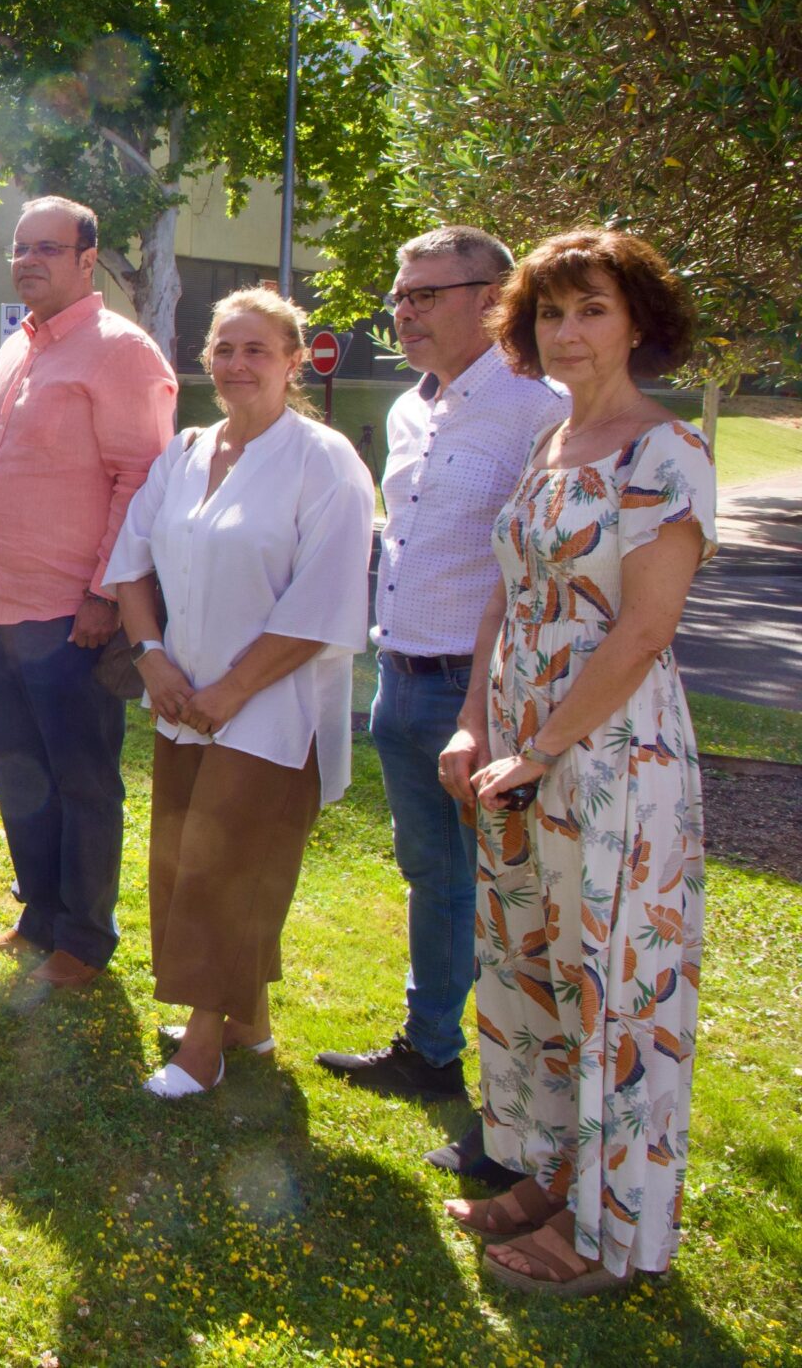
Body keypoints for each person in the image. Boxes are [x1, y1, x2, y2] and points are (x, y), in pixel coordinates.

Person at [438, 230, 713, 1297]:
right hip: (516, 755)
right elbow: (504, 599)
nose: (567, 332)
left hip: (610, 767)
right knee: (533, 981)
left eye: (590, 309)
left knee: (614, 993)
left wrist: (543, 750)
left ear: (637, 321)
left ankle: (610, 1236)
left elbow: (643, 629)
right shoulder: (547, 446)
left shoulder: (665, 452)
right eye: (550, 313)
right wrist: (474, 724)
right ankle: (549, 1179)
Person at [315, 229, 565, 1185]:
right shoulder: (414, 411)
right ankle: (430, 1049)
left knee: (507, 894)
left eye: (425, 295)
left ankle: (516, 1105)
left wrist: (487, 705)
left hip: (483, 692)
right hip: (402, 676)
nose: (404, 313)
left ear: (494, 295)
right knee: (433, 873)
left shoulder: (539, 410)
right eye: (398, 297)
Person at [106, 287, 376, 1098]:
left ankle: (202, 1046)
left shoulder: (325, 461)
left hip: (271, 708)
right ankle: (247, 1020)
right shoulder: (185, 450)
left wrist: (231, 689)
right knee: (180, 858)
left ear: (294, 361)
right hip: (180, 700)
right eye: (224, 348)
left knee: (226, 869)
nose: (236, 364)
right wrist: (151, 658)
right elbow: (130, 561)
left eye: (257, 349)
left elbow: (324, 601)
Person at [0, 197, 175, 985]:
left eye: (47, 247)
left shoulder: (121, 351)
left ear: (89, 258)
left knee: (83, 779)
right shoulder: (17, 349)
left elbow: (141, 481)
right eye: (20, 247)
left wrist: (105, 595)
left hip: (71, 614)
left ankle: (85, 939)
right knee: (19, 770)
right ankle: (38, 915)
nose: (28, 260)